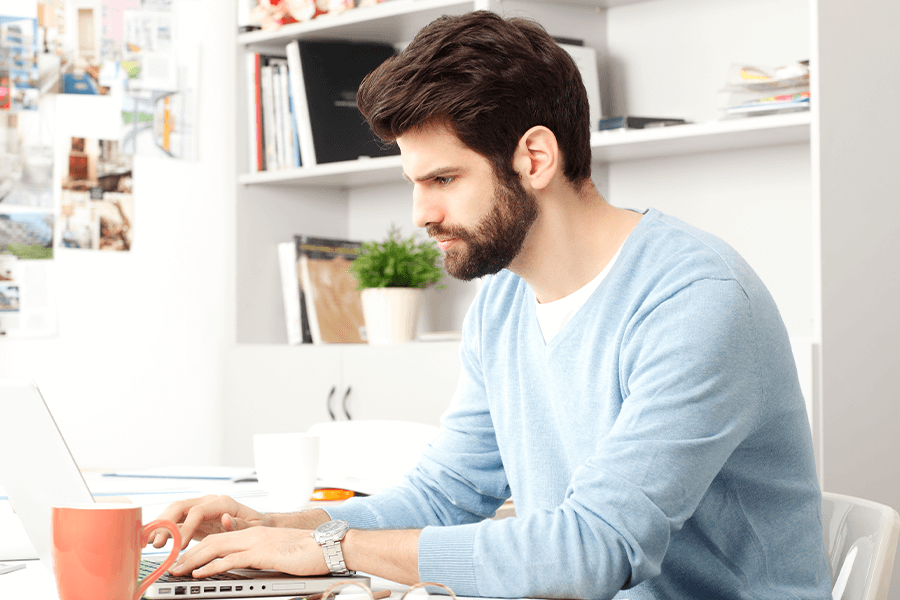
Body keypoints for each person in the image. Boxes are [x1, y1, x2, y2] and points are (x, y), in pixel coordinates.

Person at [153, 11, 832, 599]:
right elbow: (446, 495)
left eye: (444, 178)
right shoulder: (504, 298)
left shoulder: (697, 301)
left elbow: (592, 551)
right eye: (414, 183)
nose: (422, 213)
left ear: (535, 157)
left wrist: (334, 551)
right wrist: (278, 527)